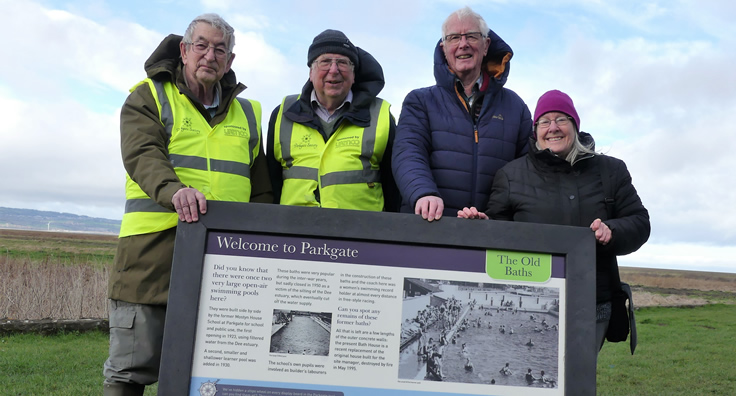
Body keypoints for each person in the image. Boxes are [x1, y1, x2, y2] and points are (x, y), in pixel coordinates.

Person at [104, 14, 273, 396]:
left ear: (230, 60)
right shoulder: (147, 96)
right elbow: (142, 154)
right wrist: (173, 190)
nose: (210, 56)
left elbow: (261, 189)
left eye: (220, 49)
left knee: (211, 373)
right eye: (202, 45)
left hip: (225, 261)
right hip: (153, 254)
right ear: (184, 50)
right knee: (131, 368)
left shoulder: (248, 114)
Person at [457, 89, 650, 356]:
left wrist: (611, 231)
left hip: (592, 304)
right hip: (534, 295)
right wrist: (483, 224)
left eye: (561, 119)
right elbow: (500, 233)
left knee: (577, 383)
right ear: (535, 130)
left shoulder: (611, 170)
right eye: (545, 122)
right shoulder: (511, 175)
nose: (553, 128)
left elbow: (639, 222)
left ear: (575, 126)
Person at [392, 6, 532, 221]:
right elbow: (408, 153)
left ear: (486, 46)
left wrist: (497, 215)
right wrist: (423, 193)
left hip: (492, 231)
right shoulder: (419, 101)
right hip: (430, 227)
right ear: (444, 48)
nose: (463, 44)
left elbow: (526, 171)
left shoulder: (515, 107)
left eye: (472, 37)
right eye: (454, 37)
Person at [266, 29, 398, 211]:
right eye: (325, 62)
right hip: (295, 231)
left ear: (353, 75)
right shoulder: (283, 113)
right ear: (311, 73)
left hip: (362, 233)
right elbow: (271, 182)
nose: (334, 70)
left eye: (342, 63)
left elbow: (394, 188)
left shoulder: (380, 115)